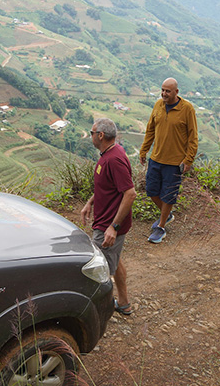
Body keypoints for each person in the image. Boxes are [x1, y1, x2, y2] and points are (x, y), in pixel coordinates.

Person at [81, 118, 137, 316]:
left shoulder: (113, 159)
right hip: (105, 221)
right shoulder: (109, 153)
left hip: (108, 226)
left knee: (98, 271)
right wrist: (91, 202)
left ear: (101, 135)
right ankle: (123, 303)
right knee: (115, 260)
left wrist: (114, 227)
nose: (91, 136)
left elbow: (130, 194)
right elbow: (108, 187)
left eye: (92, 132)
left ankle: (99, 312)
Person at [139, 77, 198, 244]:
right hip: (156, 158)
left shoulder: (187, 109)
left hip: (175, 162)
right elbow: (150, 129)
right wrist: (144, 150)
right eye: (163, 90)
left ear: (176, 92)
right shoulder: (158, 105)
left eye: (168, 91)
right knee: (151, 190)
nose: (164, 93)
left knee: (168, 195)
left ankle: (161, 226)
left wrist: (188, 159)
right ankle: (167, 214)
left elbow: (193, 137)